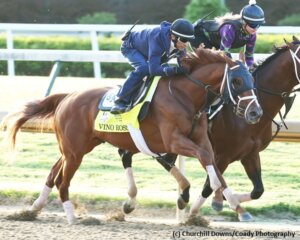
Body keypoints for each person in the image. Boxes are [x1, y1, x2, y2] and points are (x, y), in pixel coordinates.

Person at [110, 18, 195, 114]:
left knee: (167, 69)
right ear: (173, 37)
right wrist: (175, 70)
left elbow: (184, 66)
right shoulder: (157, 38)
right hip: (130, 47)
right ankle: (120, 101)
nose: (186, 44)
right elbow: (153, 70)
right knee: (144, 68)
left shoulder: (180, 45)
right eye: (184, 40)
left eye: (189, 40)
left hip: (149, 50)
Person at [190, 0, 265, 69]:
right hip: (198, 35)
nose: (255, 29)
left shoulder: (252, 35)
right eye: (253, 25)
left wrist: (250, 69)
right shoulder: (229, 29)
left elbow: (249, 56)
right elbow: (224, 54)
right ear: (244, 22)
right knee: (212, 65)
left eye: (259, 25)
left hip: (216, 45)